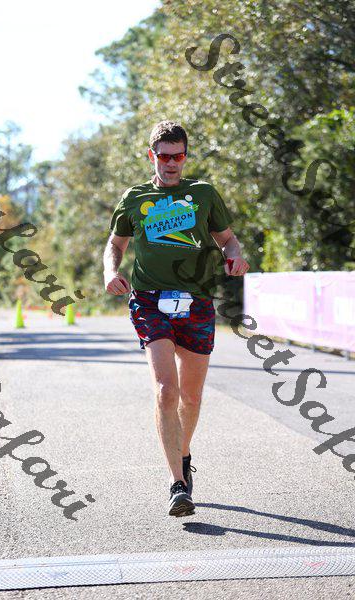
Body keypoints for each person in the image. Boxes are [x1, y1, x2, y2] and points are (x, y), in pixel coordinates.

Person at [103, 120, 249, 517]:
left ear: (185, 156)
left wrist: (235, 256)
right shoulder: (135, 198)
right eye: (164, 156)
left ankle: (183, 456)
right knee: (166, 391)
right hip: (150, 301)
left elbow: (227, 239)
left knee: (191, 396)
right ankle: (177, 485)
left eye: (178, 156)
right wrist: (110, 271)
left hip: (196, 301)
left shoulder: (203, 194)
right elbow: (115, 244)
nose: (171, 163)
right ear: (151, 156)